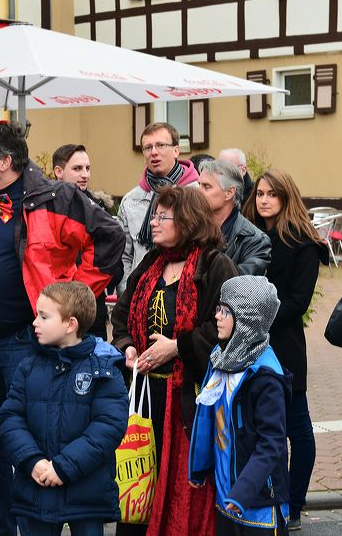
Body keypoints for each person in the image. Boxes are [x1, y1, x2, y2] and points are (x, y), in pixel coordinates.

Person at [0, 120, 124, 536]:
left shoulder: (55, 197)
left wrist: (72, 296)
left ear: (4, 161)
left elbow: (110, 237)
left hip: (26, 342)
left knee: (38, 435)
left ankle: (38, 524)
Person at [111, 185, 238, 536]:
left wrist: (178, 347)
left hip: (190, 399)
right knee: (141, 480)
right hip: (146, 396)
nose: (154, 222)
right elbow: (122, 314)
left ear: (188, 220)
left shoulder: (215, 264)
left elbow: (227, 325)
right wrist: (127, 347)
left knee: (184, 485)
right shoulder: (153, 263)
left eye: (163, 216)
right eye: (154, 214)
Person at [0, 281, 128, 535]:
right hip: (36, 492)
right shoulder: (28, 367)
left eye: (44, 316)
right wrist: (32, 460)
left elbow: (108, 427)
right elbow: (10, 418)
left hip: (86, 494)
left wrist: (63, 467)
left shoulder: (103, 368)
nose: (34, 322)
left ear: (71, 324)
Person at [242, 170, 328, 531]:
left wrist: (256, 317)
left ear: (286, 198)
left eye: (271, 194)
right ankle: (264, 499)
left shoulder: (303, 244)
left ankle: (293, 503)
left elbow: (298, 301)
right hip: (248, 344)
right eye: (260, 193)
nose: (263, 200)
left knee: (297, 429)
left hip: (283, 345)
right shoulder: (249, 235)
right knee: (257, 428)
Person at [188, 275, 291, 536]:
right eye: (218, 309)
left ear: (247, 320)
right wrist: (198, 468)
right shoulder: (221, 359)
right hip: (226, 499)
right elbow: (208, 419)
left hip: (257, 505)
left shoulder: (265, 376)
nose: (217, 317)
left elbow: (272, 443)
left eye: (226, 311)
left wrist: (243, 493)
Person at [117, 123, 200, 296]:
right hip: (139, 293)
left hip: (184, 293)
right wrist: (126, 292)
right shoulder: (131, 200)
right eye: (148, 147)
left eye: (161, 145)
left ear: (176, 150)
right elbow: (124, 255)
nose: (154, 152)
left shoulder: (198, 193)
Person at [52, 143, 121, 339]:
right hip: (54, 308)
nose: (85, 175)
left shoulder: (99, 210)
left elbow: (115, 264)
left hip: (92, 311)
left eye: (87, 168)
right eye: (77, 169)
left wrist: (93, 281)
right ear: (58, 171)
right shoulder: (45, 208)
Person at [198, 159, 271, 276]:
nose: (198, 191)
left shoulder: (255, 240)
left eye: (206, 187)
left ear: (229, 192)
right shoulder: (191, 229)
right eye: (199, 185)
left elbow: (240, 285)